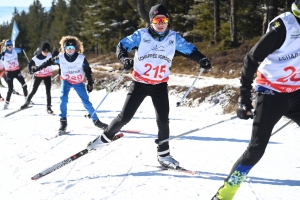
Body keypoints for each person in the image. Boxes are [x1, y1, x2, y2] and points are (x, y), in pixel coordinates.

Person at [86, 4, 211, 169]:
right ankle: (103, 139)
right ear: (151, 21)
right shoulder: (141, 35)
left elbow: (189, 50)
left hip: (159, 85)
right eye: (157, 20)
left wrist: (201, 59)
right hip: (139, 84)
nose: (161, 23)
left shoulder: (174, 38)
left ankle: (164, 155)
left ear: (168, 21)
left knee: (163, 121)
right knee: (125, 117)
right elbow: (122, 46)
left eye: (164, 20)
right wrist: (124, 59)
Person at [211, 1, 300, 200]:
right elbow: (251, 59)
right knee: (256, 149)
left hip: (296, 92)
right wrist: (244, 97)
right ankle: (224, 195)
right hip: (271, 93)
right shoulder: (284, 27)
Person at [33, 36, 108, 134]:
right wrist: (38, 68)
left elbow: (88, 70)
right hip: (66, 81)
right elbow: (48, 62)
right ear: (64, 48)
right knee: (63, 99)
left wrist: (90, 81)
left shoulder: (81, 58)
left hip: (78, 82)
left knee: (86, 102)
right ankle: (63, 122)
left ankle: (96, 121)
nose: (70, 50)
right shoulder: (60, 58)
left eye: (72, 48)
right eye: (68, 48)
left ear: (75, 48)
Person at [20, 42, 54, 113]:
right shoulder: (37, 57)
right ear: (42, 50)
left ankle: (48, 107)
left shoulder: (50, 55)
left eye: (47, 51)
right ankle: (27, 103)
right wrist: (30, 71)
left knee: (48, 92)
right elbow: (29, 64)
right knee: (34, 90)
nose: (46, 53)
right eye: (44, 51)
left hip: (47, 76)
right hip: (39, 76)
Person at [0, 40, 28, 109]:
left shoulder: (15, 50)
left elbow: (21, 50)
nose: (10, 47)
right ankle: (7, 103)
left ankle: (27, 99)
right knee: (10, 88)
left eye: (11, 46)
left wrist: (23, 48)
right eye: (8, 46)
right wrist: (1, 55)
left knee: (24, 84)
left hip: (17, 71)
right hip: (9, 73)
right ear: (6, 47)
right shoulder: (3, 53)